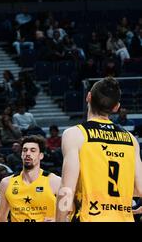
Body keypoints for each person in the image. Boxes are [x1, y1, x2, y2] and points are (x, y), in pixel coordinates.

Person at [56, 77, 142, 222]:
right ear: (116, 107)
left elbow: (67, 189)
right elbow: (140, 189)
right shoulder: (131, 139)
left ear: (88, 97)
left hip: (90, 217)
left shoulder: (75, 134)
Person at [0, 135, 61, 222]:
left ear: (41, 155)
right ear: (21, 155)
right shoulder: (6, 183)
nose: (28, 153)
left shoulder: (55, 181)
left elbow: (70, 215)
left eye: (33, 150)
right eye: (25, 150)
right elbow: (0, 218)